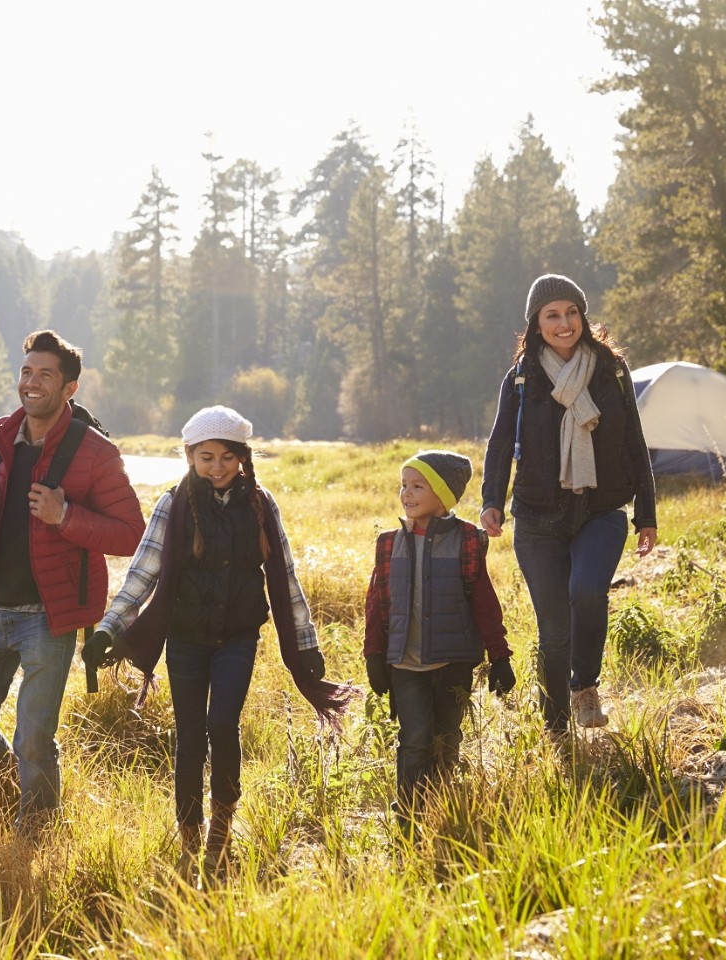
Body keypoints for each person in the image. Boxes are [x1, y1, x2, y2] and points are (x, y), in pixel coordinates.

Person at [90, 405, 354, 882]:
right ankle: (190, 833)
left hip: (237, 638)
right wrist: (110, 628)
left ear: (242, 457)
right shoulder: (173, 503)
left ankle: (222, 829)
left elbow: (285, 576)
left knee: (223, 726)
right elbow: (143, 573)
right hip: (186, 639)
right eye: (206, 457)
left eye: (227, 458)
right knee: (189, 737)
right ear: (189, 455)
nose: (217, 468)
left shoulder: (261, 503)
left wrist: (306, 642)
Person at [0, 329, 145, 832]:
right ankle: (0, 801)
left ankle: (36, 834)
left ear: (70, 388)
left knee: (34, 739)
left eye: (45, 375)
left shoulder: (97, 453)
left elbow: (131, 534)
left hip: (49, 616)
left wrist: (65, 517)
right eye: (26, 372)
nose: (31, 383)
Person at [480, 274, 658, 734]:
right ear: (536, 324)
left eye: (572, 312)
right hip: (538, 517)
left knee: (587, 590)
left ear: (583, 315)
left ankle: (585, 689)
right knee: (554, 629)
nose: (564, 323)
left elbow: (635, 443)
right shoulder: (523, 377)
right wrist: (492, 501)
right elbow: (500, 443)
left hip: (601, 510)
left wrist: (647, 514)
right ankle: (556, 724)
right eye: (552, 315)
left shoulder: (610, 370)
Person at [363, 450, 514, 828]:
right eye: (404, 485)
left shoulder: (467, 540)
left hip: (453, 663)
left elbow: (483, 601)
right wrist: (374, 655)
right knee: (414, 739)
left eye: (418, 486)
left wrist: (500, 656)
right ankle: (409, 818)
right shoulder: (387, 543)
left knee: (447, 738)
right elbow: (377, 603)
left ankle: (442, 808)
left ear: (444, 495)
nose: (407, 494)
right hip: (404, 664)